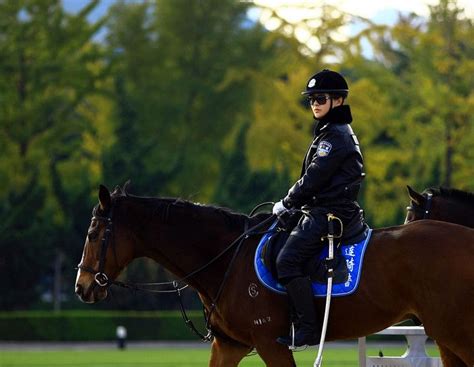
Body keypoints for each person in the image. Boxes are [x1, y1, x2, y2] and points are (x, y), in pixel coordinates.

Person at [273, 69, 366, 347]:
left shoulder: (334, 137)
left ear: (338, 101)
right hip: (322, 210)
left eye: (321, 98)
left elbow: (313, 178)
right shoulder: (331, 131)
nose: (315, 103)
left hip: (329, 214)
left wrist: (286, 202)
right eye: (311, 98)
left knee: (286, 261)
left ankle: (307, 329)